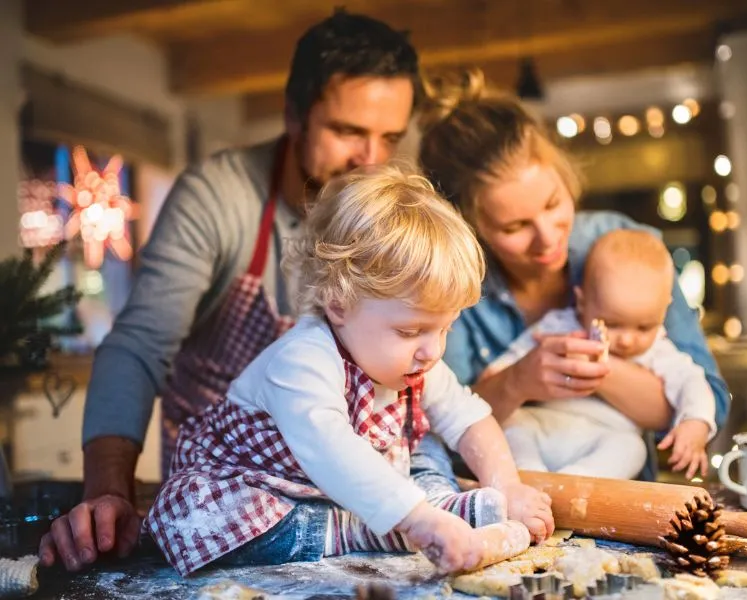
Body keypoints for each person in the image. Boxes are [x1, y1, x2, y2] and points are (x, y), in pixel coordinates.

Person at [40, 11, 422, 571]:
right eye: (348, 131)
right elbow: (139, 346)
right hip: (225, 515)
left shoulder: (385, 215)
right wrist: (107, 492)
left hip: (350, 512)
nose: (371, 159)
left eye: (388, 137)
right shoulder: (217, 197)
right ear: (294, 115)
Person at [145, 164, 555, 576]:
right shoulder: (303, 359)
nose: (432, 350)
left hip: (348, 491)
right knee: (202, 524)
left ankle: (437, 507)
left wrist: (507, 486)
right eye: (411, 330)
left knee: (427, 448)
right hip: (251, 489)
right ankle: (373, 529)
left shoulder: (416, 358)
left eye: (445, 327)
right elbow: (332, 450)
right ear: (339, 304)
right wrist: (415, 519)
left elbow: (469, 419)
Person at [416, 70, 730, 480]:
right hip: (511, 486)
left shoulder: (627, 246)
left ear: (565, 178)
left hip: (619, 488)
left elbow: (712, 403)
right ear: (469, 228)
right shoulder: (452, 281)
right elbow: (434, 427)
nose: (547, 239)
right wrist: (517, 382)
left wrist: (594, 366)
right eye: (514, 227)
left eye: (553, 203)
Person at [484, 230, 716, 480]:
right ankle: (530, 475)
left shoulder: (658, 350)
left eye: (644, 327)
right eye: (612, 324)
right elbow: (513, 363)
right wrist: (502, 371)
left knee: (633, 449)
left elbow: (693, 382)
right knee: (511, 426)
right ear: (582, 303)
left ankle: (576, 481)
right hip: (542, 423)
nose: (627, 340)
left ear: (664, 312)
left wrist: (696, 422)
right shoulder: (557, 327)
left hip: (605, 437)